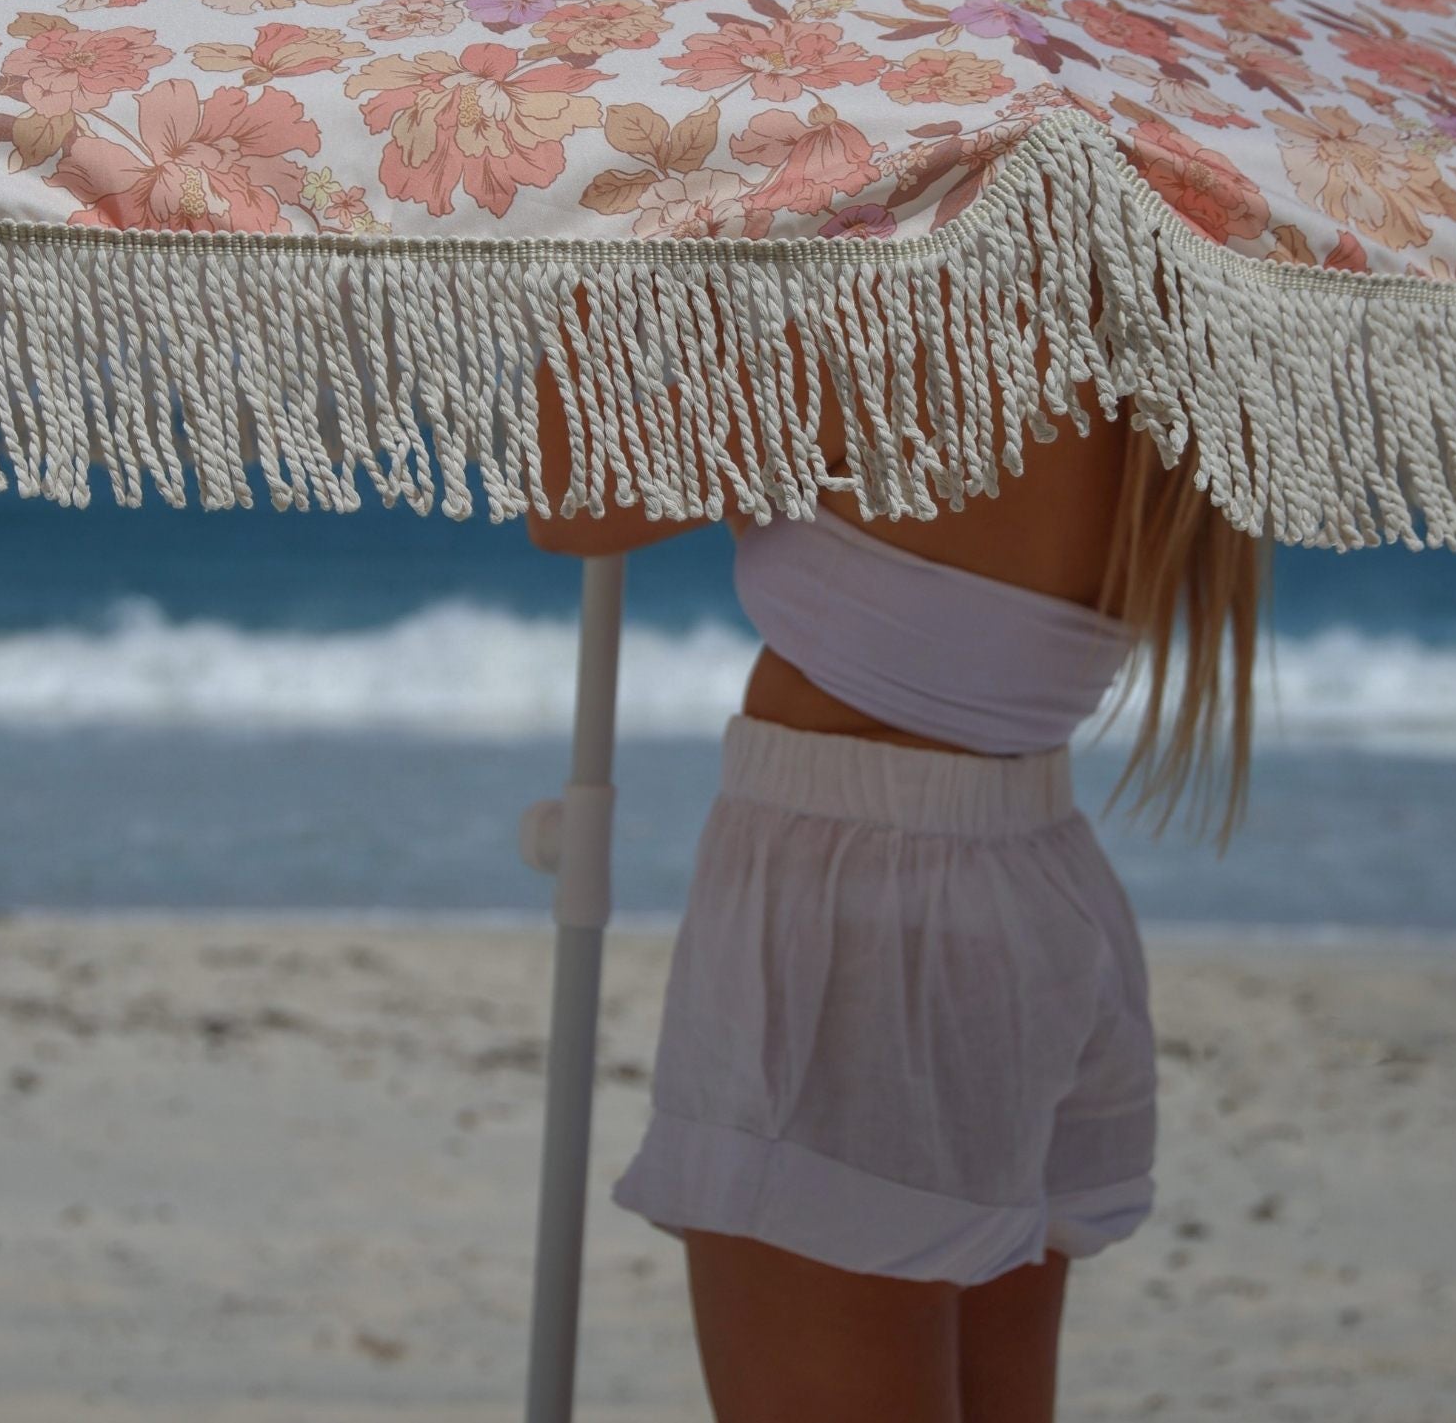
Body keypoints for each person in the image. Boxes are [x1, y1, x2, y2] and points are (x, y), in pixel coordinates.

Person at [527, 330, 1266, 1423]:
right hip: (1030, 888)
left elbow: (572, 495)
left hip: (856, 919)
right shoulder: (1157, 336)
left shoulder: (928, 313)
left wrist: (583, 265)